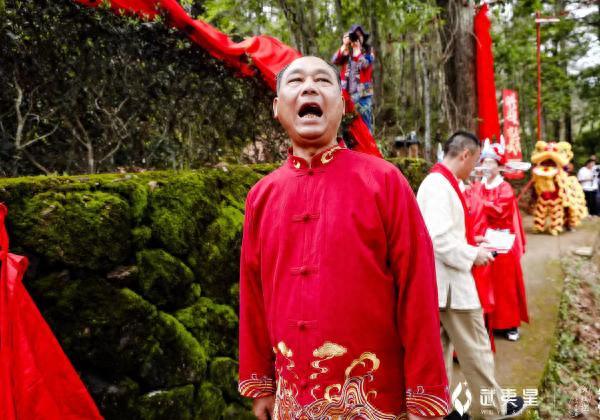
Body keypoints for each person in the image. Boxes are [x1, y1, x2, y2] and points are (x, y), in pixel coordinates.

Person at [238, 56, 450, 419]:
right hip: (292, 402)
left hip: (376, 402)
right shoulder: (262, 196)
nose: (309, 87)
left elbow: (418, 292)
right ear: (277, 108)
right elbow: (253, 295)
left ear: (341, 104)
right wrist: (261, 385)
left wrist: (424, 398)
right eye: (295, 81)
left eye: (323, 80)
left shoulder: (384, 182)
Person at [417, 132, 525, 419]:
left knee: (439, 354)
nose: (475, 167)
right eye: (475, 160)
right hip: (452, 285)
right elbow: (438, 239)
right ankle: (491, 408)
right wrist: (473, 254)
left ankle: (441, 410)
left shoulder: (441, 182)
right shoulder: (439, 186)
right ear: (465, 154)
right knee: (476, 349)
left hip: (439, 285)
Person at [472, 141, 528, 341]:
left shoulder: (504, 188)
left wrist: (478, 202)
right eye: (484, 162)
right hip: (486, 239)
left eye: (490, 162)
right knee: (488, 283)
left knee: (506, 286)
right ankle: (492, 324)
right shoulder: (478, 186)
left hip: (504, 239)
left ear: (499, 165)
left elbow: (499, 210)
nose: (486, 166)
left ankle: (510, 325)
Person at [332, 24, 375, 133]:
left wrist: (358, 52)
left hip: (363, 95)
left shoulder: (369, 51)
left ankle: (367, 149)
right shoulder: (346, 52)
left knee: (365, 124)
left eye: (360, 36)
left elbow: (364, 65)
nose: (357, 38)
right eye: (355, 36)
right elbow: (334, 60)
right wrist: (344, 46)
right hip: (347, 95)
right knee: (349, 127)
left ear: (363, 38)